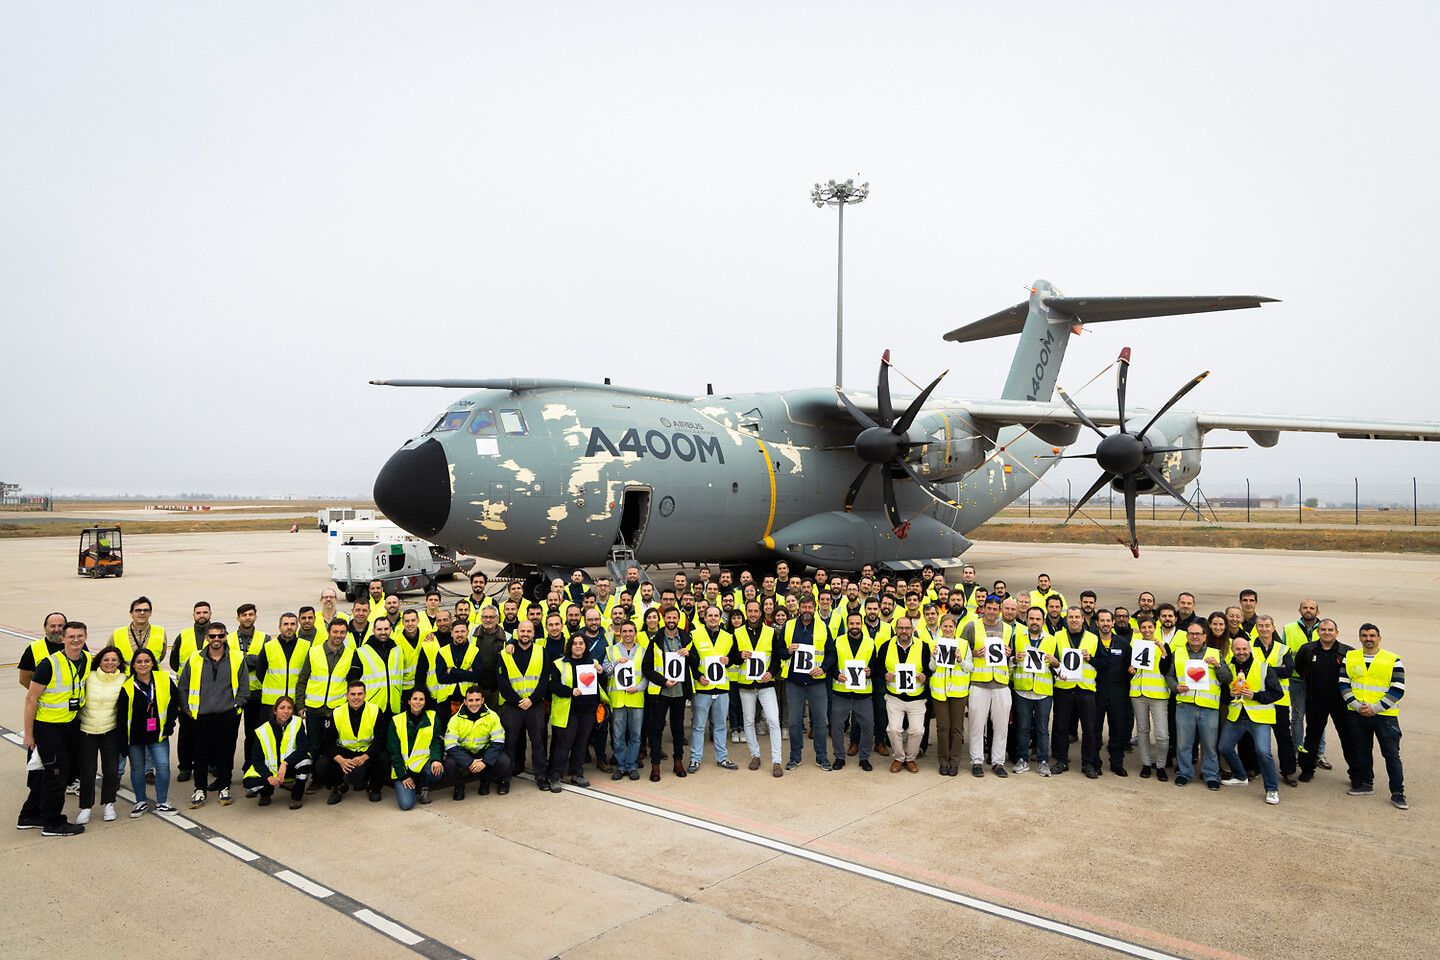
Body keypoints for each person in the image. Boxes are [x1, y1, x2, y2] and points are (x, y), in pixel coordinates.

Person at [19, 621, 91, 835]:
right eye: (71, 637)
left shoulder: (86, 659)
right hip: (48, 727)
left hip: (68, 724)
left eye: (80, 636)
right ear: (63, 639)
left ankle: (29, 815)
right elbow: (31, 699)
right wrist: (29, 734)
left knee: (47, 772)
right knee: (57, 775)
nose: (76, 640)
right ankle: (53, 823)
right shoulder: (49, 664)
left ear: (85, 637)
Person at [177, 621, 248, 808]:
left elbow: (244, 687)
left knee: (226, 752)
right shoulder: (195, 658)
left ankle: (224, 787)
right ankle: (199, 789)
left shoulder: (237, 658)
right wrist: (187, 708)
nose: (216, 639)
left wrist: (236, 706)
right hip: (201, 715)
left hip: (227, 715)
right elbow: (183, 685)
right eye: (212, 636)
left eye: (220, 635)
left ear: (225, 637)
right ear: (207, 638)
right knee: (200, 754)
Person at [1340, 623, 1407, 809]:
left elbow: (1398, 688)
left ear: (1379, 637)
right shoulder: (1350, 657)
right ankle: (1365, 784)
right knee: (1361, 750)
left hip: (1385, 716)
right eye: (1364, 635)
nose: (1368, 639)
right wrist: (1355, 705)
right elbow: (1343, 683)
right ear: (1360, 638)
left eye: (1372, 635)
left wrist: (1375, 708)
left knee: (1391, 755)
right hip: (1357, 713)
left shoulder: (1393, 659)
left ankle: (1397, 792)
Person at [1217, 637, 1283, 804]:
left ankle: (1272, 789)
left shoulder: (1263, 666)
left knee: (1263, 753)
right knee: (1224, 747)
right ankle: (1240, 776)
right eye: (1237, 649)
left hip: (1259, 717)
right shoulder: (1228, 668)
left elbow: (1277, 693)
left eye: (1244, 649)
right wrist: (1229, 695)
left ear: (1250, 649)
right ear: (1232, 650)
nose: (1241, 653)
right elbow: (1223, 696)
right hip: (1237, 716)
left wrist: (1255, 696)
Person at [115, 649, 179, 816]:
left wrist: (170, 724)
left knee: (163, 766)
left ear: (152, 663)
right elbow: (121, 717)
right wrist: (122, 741)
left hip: (158, 734)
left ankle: (162, 802)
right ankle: (140, 801)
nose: (143, 664)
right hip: (135, 736)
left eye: (147, 661)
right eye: (139, 662)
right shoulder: (127, 687)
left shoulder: (164, 679)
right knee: (137, 769)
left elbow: (174, 701)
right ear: (134, 665)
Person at [1295, 619, 1357, 785]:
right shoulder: (1307, 649)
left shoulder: (1348, 652)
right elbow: (1300, 668)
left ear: (1337, 632)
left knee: (1348, 737)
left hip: (1341, 703)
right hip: (1315, 700)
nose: (1327, 632)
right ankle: (1307, 769)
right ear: (1318, 632)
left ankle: (1356, 774)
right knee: (1312, 737)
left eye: (1330, 630)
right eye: (1323, 629)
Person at [961, 596, 1015, 778]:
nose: (992, 612)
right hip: (979, 683)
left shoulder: (1008, 629)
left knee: (1001, 727)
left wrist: (1010, 653)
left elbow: (1013, 656)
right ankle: (976, 761)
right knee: (976, 725)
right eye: (989, 608)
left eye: (995, 609)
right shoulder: (971, 626)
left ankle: (998, 762)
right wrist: (973, 653)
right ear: (982, 608)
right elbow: (960, 652)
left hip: (1000, 683)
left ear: (999, 610)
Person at [76, 645, 126, 824]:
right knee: (87, 772)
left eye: (114, 660)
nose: (110, 663)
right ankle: (85, 807)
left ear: (119, 662)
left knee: (111, 771)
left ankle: (109, 803)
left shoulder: (124, 679)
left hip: (110, 732)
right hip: (86, 732)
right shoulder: (88, 677)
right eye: (106, 659)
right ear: (99, 661)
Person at [1170, 623, 1223, 790]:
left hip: (1209, 707)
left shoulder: (1215, 654)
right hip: (1185, 706)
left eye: (1198, 634)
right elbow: (1169, 676)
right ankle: (1184, 773)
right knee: (1184, 743)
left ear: (1205, 636)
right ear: (1187, 636)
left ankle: (1211, 774)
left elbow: (1227, 678)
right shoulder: (1178, 653)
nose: (1195, 636)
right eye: (1191, 633)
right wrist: (1175, 687)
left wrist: (1218, 666)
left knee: (1209, 744)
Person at [499, 619, 551, 789]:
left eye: (529, 631)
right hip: (513, 706)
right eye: (522, 631)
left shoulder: (542, 652)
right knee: (510, 744)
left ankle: (541, 777)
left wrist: (532, 700)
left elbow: (544, 680)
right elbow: (502, 681)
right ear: (517, 633)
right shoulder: (505, 653)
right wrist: (517, 701)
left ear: (533, 634)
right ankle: (505, 779)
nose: (525, 634)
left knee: (538, 743)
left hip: (534, 705)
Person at [781, 594, 831, 771]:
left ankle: (822, 757)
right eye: (804, 607)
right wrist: (787, 651)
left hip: (816, 682)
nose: (807, 611)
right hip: (794, 683)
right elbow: (779, 651)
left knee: (820, 721)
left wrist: (823, 668)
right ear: (799, 608)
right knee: (794, 722)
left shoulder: (823, 627)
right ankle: (795, 756)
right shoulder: (788, 626)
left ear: (814, 608)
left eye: (810, 607)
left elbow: (831, 653)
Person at [547, 634, 604, 790]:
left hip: (588, 711)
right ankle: (555, 776)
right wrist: (570, 691)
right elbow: (553, 686)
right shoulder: (559, 664)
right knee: (564, 744)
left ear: (585, 646)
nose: (578, 646)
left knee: (581, 744)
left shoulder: (593, 663)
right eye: (575, 643)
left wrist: (601, 672)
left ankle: (577, 774)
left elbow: (601, 684)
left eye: (581, 643)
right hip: (569, 711)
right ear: (570, 646)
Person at [734, 600, 784, 776]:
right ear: (746, 612)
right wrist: (740, 656)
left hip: (766, 684)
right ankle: (755, 755)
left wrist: (771, 672)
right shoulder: (738, 632)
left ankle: (776, 761)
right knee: (748, 721)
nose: (753, 614)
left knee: (773, 720)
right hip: (746, 686)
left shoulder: (770, 632)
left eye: (756, 611)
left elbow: (777, 658)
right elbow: (733, 657)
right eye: (750, 611)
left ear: (761, 612)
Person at [316, 681, 385, 804]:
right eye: (353, 694)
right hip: (345, 751)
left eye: (360, 694)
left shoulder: (375, 710)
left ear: (365, 695)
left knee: (383, 758)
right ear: (347, 695)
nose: (356, 697)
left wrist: (365, 757)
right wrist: (340, 759)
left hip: (366, 751)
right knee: (322, 763)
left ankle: (374, 788)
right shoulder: (337, 712)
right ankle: (339, 787)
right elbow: (327, 742)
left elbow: (380, 740)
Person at [643, 606, 691, 781]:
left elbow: (696, 663)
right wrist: (663, 681)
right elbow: (646, 668)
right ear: (664, 619)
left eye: (674, 618)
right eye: (669, 618)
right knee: (656, 729)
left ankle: (678, 761)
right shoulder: (655, 640)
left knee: (678, 729)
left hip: (679, 692)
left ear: (678, 620)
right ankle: (655, 766)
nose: (672, 620)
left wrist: (690, 653)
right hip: (660, 692)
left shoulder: (686, 639)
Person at [826, 612, 878, 772]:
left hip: (863, 693)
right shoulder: (838, 641)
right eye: (851, 624)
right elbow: (831, 663)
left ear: (861, 624)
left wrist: (871, 671)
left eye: (857, 623)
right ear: (847, 625)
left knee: (869, 726)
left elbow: (876, 665)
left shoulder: (870, 642)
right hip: (841, 692)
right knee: (836, 726)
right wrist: (836, 674)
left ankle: (864, 757)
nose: (854, 627)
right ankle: (839, 757)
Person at [687, 605, 736, 773]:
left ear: (720, 618)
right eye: (710, 615)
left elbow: (736, 657)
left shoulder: (729, 637)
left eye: (716, 615)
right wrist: (697, 675)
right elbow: (690, 660)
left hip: (722, 688)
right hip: (703, 687)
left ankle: (722, 758)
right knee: (698, 726)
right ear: (704, 617)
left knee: (721, 725)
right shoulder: (694, 635)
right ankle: (695, 759)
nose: (713, 618)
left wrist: (729, 659)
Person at [1051, 607, 1100, 777]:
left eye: (1077, 617)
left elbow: (1103, 663)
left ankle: (1088, 764)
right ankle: (1061, 760)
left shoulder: (1093, 638)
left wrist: (1091, 658)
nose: (1074, 620)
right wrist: (1057, 668)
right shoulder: (1056, 637)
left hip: (1085, 690)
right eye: (1070, 617)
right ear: (1066, 620)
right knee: (1061, 727)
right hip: (1064, 689)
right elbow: (1050, 661)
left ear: (1082, 619)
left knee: (1089, 729)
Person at [1253, 615, 1298, 787]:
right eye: (1260, 626)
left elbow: (1288, 671)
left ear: (1273, 627)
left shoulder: (1283, 648)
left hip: (1279, 700)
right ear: (1256, 628)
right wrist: (1274, 670)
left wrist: (1265, 670)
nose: (1264, 629)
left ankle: (1288, 770)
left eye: (1267, 626)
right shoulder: (1249, 647)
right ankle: (1254, 767)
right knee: (1254, 735)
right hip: (1258, 699)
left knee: (1283, 736)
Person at [241, 697, 310, 809]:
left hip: (288, 767)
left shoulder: (297, 723)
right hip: (270, 769)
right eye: (282, 708)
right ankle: (266, 793)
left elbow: (303, 748)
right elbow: (257, 760)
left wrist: (285, 763)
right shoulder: (263, 730)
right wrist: (268, 777)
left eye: (289, 708)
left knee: (306, 761)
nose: (286, 711)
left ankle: (296, 797)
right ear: (275, 711)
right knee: (250, 783)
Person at [444, 685, 511, 797]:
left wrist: (485, 761)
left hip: (483, 752)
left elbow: (498, 741)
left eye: (477, 700)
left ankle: (485, 780)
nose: (474, 703)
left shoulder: (492, 716)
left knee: (504, 761)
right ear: (465, 702)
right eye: (470, 700)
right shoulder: (455, 719)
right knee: (449, 763)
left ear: (482, 700)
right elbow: (450, 746)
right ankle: (459, 786)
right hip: (464, 752)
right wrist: (469, 762)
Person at [1012, 606, 1056, 777]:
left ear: (1043, 621)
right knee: (1022, 727)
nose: (1035, 622)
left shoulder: (1052, 640)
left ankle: (1043, 761)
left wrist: (1054, 662)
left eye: (1038, 619)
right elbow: (1009, 660)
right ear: (1027, 620)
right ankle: (1022, 758)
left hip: (1043, 691)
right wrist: (1015, 659)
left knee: (1042, 728)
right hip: (1022, 690)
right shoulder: (1017, 637)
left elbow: (1060, 666)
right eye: (1031, 619)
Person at [882, 617, 929, 774]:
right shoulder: (886, 646)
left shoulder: (923, 646)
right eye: (900, 628)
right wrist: (884, 675)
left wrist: (925, 676)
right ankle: (899, 758)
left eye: (907, 628)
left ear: (912, 630)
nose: (903, 631)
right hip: (894, 697)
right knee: (893, 730)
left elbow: (931, 668)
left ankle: (910, 758)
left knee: (917, 731)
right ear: (896, 629)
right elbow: (876, 668)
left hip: (916, 698)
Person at [1283, 599, 1326, 769]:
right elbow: (1284, 653)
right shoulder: (1289, 628)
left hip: (1318, 680)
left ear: (1318, 611)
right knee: (1298, 716)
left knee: (1318, 717)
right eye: (1305, 608)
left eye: (1312, 608)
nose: (1308, 610)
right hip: (1297, 680)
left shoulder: (1325, 627)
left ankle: (1318, 753)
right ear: (1299, 610)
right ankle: (1296, 750)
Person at [1127, 616, 1171, 781]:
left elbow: (1167, 669)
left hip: (1158, 694)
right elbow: (1131, 667)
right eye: (1143, 627)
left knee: (1162, 734)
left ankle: (1160, 765)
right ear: (1139, 628)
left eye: (1150, 627)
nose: (1147, 630)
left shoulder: (1162, 646)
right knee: (1142, 731)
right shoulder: (1135, 645)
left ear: (1155, 627)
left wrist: (1163, 651)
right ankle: (1146, 764)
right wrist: (1131, 670)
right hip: (1138, 693)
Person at [602, 621, 647, 781]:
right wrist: (615, 663)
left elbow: (647, 675)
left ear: (635, 633)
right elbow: (605, 672)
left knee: (635, 735)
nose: (627, 634)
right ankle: (621, 766)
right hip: (618, 700)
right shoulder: (611, 650)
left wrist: (639, 687)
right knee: (618, 736)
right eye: (624, 631)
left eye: (630, 631)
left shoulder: (643, 651)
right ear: (619, 633)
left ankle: (632, 765)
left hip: (636, 698)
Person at [1092, 610, 1133, 776]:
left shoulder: (1122, 643)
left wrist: (1132, 670)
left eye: (1108, 620)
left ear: (1113, 622)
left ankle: (1117, 762)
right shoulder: (1091, 642)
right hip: (1097, 690)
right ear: (1097, 623)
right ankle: (1095, 762)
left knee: (1117, 728)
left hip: (1118, 692)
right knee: (1094, 729)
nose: (1106, 623)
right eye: (1102, 620)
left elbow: (1131, 664)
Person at [390, 688, 445, 809]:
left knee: (438, 771)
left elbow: (436, 740)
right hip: (403, 768)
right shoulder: (396, 720)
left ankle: (423, 787)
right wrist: (403, 776)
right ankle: (409, 784)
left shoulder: (433, 716)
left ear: (425, 702)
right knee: (406, 804)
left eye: (421, 699)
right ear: (409, 701)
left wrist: (436, 759)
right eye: (415, 699)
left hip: (422, 763)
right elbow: (394, 751)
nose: (418, 702)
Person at [111, 597, 165, 673]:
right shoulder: (117, 633)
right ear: (131, 614)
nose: (142, 613)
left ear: (150, 613)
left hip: (153, 679)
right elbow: (109, 656)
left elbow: (162, 655)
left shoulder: (160, 631)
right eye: (138, 610)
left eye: (146, 610)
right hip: (127, 679)